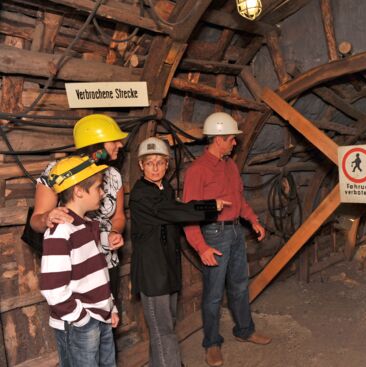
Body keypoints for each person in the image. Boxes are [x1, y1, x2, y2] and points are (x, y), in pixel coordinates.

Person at [129, 137, 230, 367]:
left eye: (160, 162)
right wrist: (208, 206)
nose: (155, 167)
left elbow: (176, 209)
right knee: (163, 330)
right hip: (153, 273)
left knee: (163, 327)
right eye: (149, 162)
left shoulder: (165, 189)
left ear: (167, 165)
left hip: (168, 269)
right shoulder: (141, 194)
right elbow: (176, 211)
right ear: (140, 166)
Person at [183, 112, 271, 367]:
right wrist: (201, 247)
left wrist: (253, 220)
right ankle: (212, 343)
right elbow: (189, 214)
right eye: (232, 139)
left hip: (234, 232)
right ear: (219, 139)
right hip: (213, 234)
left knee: (240, 286)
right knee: (212, 294)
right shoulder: (197, 171)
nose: (235, 143)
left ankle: (245, 330)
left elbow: (239, 199)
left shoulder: (230, 165)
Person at [31, 114, 127, 302]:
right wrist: (47, 218)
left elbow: (119, 216)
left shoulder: (113, 175)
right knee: (83, 327)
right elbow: (36, 220)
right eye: (114, 140)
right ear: (97, 145)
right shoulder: (58, 172)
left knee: (108, 322)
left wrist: (115, 232)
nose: (121, 144)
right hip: (76, 267)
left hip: (106, 262)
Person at [39, 156, 119, 367]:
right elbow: (53, 290)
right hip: (81, 323)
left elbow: (98, 274)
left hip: (101, 317)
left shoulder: (88, 225)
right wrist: (82, 319)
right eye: (98, 187)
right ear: (79, 191)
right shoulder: (60, 232)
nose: (102, 193)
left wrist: (110, 307)